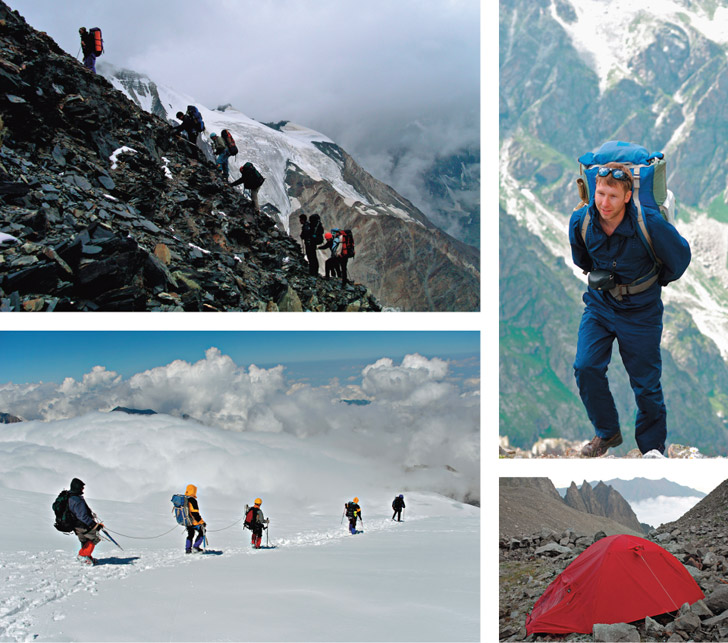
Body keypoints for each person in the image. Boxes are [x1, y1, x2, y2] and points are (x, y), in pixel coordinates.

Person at [569, 161, 691, 457]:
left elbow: (679, 259)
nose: (604, 202)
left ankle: (651, 450)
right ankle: (607, 433)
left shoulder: (649, 224)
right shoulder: (581, 221)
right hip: (600, 306)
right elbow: (582, 260)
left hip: (641, 312)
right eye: (599, 194)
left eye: (612, 196)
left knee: (646, 385)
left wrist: (651, 285)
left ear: (626, 196)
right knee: (585, 367)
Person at [67, 477, 104, 564]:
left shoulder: (70, 497)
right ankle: (83, 555)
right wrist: (94, 525)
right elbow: (82, 516)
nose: (83, 489)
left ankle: (87, 558)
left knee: (85, 540)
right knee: (95, 538)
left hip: (75, 525)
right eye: (81, 487)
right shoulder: (78, 500)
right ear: (77, 487)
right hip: (82, 525)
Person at [184, 484, 206, 553]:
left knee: (190, 534)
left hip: (187, 521)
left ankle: (188, 549)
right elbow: (195, 513)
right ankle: (196, 547)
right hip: (194, 522)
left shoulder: (184, 499)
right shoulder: (192, 500)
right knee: (202, 532)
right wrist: (202, 522)